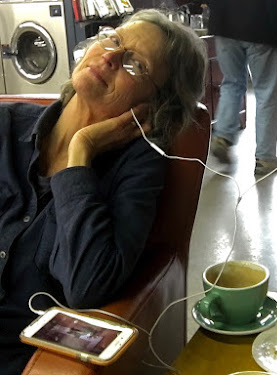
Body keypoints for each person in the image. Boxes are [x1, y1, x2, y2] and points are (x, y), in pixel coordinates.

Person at [0, 9, 207, 374]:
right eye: (113, 40)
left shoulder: (136, 169)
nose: (110, 56)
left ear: (154, 106)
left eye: (135, 64)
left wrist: (80, 152)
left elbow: (88, 285)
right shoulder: (4, 125)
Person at [207, 0, 277, 175]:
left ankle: (222, 136)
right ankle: (265, 158)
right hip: (262, 28)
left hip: (224, 27)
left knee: (232, 84)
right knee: (265, 92)